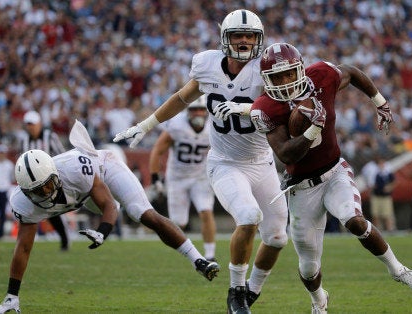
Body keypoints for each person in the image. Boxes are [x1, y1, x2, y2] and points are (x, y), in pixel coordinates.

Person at [114, 10, 288, 314]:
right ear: (225, 39)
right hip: (225, 162)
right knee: (248, 216)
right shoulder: (207, 65)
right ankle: (235, 290)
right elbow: (182, 98)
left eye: (250, 36)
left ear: (259, 39)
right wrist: (146, 124)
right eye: (238, 35)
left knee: (276, 237)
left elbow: (285, 108)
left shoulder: (266, 69)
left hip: (262, 162)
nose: (245, 41)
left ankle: (251, 292)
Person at [250, 42, 412, 313]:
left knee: (353, 220)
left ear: (300, 69)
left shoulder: (321, 75)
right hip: (302, 187)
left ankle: (397, 269)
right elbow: (286, 155)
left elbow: (352, 72)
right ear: (267, 79)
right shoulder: (264, 107)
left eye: (289, 74)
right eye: (277, 77)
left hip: (335, 172)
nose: (285, 81)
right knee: (309, 266)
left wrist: (379, 102)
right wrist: (312, 130)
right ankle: (319, 299)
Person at [0, 122, 219, 314]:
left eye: (47, 185)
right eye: (36, 191)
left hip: (103, 170)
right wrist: (12, 294)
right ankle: (12, 300)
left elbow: (109, 205)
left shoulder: (74, 169)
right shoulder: (22, 202)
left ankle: (199, 260)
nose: (44, 193)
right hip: (80, 196)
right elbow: (23, 248)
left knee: (142, 213)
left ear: (55, 174)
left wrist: (103, 231)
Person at [149, 95, 217, 261]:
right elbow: (157, 150)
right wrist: (155, 178)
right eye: (194, 110)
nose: (198, 113)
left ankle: (210, 255)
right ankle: (188, 252)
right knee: (179, 223)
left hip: (200, 176)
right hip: (177, 178)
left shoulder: (213, 127)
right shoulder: (177, 126)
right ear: (188, 112)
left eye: (201, 110)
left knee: (206, 211)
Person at [19, 110, 70, 251]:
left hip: (50, 182)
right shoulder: (24, 140)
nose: (30, 127)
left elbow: (62, 155)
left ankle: (65, 240)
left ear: (40, 124)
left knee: (54, 212)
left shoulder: (50, 137)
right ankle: (22, 244)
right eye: (28, 124)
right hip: (31, 184)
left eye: (32, 124)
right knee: (25, 212)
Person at [371, 158, 396, 232]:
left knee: (387, 214)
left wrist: (389, 187)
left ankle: (389, 229)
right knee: (375, 214)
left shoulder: (387, 173)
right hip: (377, 196)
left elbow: (394, 182)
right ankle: (375, 231)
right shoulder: (375, 173)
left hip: (385, 196)